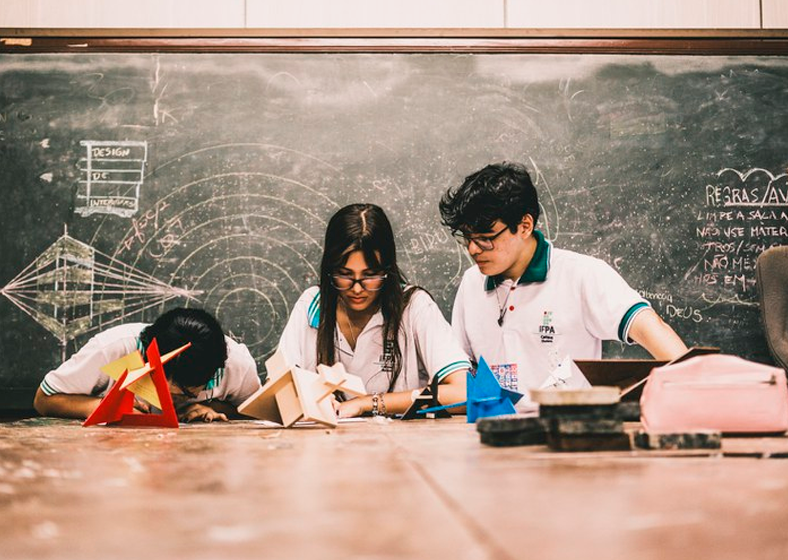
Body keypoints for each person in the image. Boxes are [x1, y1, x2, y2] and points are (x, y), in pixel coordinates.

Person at [439, 162, 688, 396]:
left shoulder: (580, 275)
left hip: (564, 429)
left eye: (485, 238)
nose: (473, 249)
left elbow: (648, 326)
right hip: (492, 430)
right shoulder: (472, 284)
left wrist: (697, 384)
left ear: (524, 225)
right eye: (466, 238)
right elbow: (462, 374)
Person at [278, 203, 471, 418]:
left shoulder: (413, 306)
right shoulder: (312, 305)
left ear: (387, 270)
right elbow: (277, 391)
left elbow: (464, 393)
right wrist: (306, 398)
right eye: (345, 275)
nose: (358, 288)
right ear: (329, 269)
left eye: (370, 275)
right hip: (326, 446)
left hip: (400, 448)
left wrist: (369, 403)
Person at [33, 307, 262, 422]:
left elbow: (257, 414)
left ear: (213, 375)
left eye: (182, 395)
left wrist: (216, 410)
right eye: (155, 377)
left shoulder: (236, 364)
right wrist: (104, 408)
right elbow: (44, 399)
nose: (164, 397)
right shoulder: (115, 348)